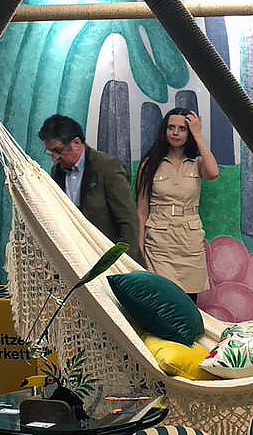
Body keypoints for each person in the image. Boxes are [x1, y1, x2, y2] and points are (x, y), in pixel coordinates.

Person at [134, 108, 219, 299]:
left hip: (190, 243)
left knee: (188, 302)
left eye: (182, 129)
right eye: (171, 127)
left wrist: (198, 134)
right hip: (159, 243)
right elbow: (142, 210)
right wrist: (139, 248)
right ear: (164, 130)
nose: (175, 133)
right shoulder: (150, 164)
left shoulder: (197, 163)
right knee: (162, 299)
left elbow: (213, 173)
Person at [40, 114, 142, 264]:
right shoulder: (57, 172)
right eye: (50, 152)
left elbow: (129, 221)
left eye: (58, 150)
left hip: (110, 259)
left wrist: (123, 264)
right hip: (77, 260)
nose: (55, 157)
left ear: (76, 142)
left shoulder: (108, 167)